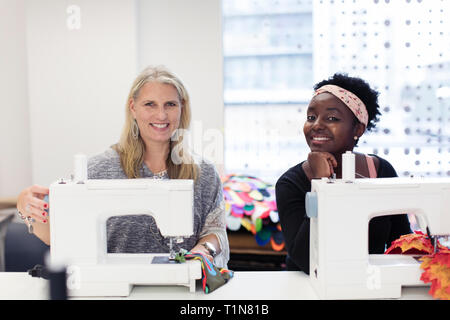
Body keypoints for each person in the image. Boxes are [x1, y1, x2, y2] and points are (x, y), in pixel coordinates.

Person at [17, 66, 229, 268]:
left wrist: (204, 250)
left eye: (170, 105)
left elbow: (215, 231)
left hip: (181, 289)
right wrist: (25, 206)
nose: (162, 115)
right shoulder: (97, 170)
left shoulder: (204, 173)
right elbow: (54, 234)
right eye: (150, 104)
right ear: (133, 108)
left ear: (182, 108)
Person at [275, 73, 412, 274]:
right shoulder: (290, 183)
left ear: (358, 128)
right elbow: (305, 260)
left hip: (367, 283)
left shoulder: (382, 172)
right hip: (307, 287)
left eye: (332, 118)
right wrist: (322, 184)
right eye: (311, 117)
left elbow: (402, 242)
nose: (317, 125)